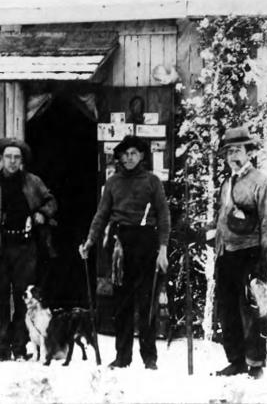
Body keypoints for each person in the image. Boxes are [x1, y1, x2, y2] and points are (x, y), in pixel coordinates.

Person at [80, 135, 170, 370]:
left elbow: (164, 216)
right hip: (121, 246)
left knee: (147, 302)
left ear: (141, 156)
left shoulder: (153, 181)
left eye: (134, 153)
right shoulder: (113, 183)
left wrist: (162, 249)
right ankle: (122, 357)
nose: (129, 158)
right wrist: (90, 241)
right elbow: (101, 215)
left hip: (147, 243)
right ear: (119, 157)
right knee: (122, 304)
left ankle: (149, 358)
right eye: (125, 154)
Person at [0, 137, 57, 360]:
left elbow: (51, 202)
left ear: (22, 161)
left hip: (26, 248)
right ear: (0, 159)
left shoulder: (33, 182)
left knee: (24, 298)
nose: (12, 161)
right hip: (0, 249)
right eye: (8, 157)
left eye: (16, 157)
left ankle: (20, 346)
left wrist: (42, 213)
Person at [212, 126, 267, 379]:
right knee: (227, 310)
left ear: (248, 151)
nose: (233, 155)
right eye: (228, 151)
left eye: (238, 149)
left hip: (249, 254)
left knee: (249, 310)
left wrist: (266, 260)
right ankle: (236, 361)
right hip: (226, 254)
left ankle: (255, 364)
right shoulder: (228, 183)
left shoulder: (261, 182)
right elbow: (223, 220)